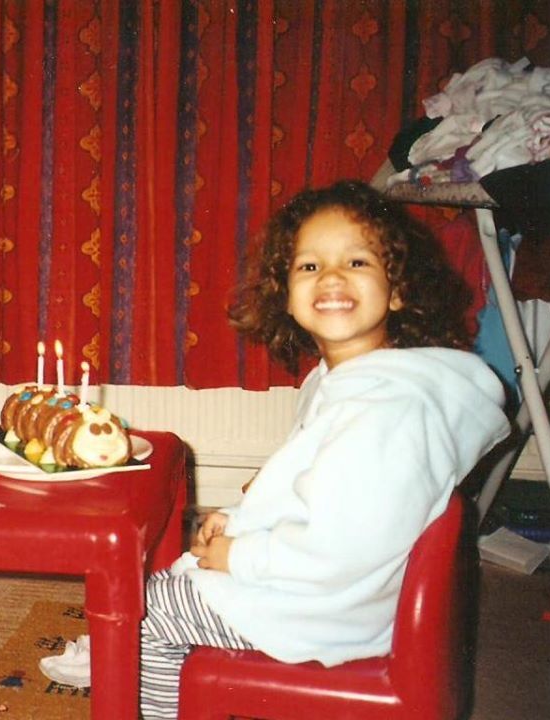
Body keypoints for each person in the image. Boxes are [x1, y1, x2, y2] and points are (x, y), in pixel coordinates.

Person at [39, 180, 511, 718]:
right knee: (165, 583)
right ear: (286, 294)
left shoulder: (387, 411)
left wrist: (243, 555)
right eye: (309, 266)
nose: (331, 276)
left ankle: (136, 688)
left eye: (357, 262)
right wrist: (240, 520)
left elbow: (345, 547)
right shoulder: (343, 381)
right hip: (332, 588)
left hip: (331, 607)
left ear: (398, 289)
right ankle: (127, 664)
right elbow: (311, 489)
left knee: (145, 613)